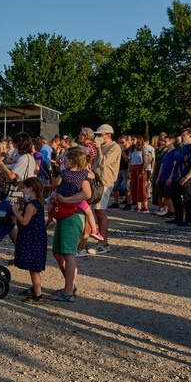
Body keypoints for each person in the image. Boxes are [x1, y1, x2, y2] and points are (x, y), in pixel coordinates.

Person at [46, 148, 92, 302]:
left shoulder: (76, 175)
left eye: (65, 160)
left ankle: (68, 291)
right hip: (64, 215)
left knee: (68, 253)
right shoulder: (83, 174)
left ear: (72, 162)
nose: (63, 163)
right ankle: (70, 285)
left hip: (73, 216)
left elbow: (87, 194)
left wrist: (66, 199)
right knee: (58, 253)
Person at [12, 177, 48, 305]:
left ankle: (38, 295)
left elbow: (24, 221)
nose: (22, 189)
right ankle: (35, 287)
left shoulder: (31, 205)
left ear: (30, 189)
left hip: (32, 238)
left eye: (23, 187)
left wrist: (15, 211)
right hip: (37, 237)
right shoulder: (35, 202)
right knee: (34, 265)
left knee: (33, 267)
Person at [89, 124, 122, 253]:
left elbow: (103, 163)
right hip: (97, 181)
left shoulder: (115, 147)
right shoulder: (102, 147)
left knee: (100, 212)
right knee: (96, 211)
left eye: (100, 135)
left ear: (108, 135)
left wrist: (98, 148)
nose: (98, 137)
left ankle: (104, 243)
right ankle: (100, 241)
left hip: (105, 182)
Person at [168, 129, 191, 227]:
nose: (182, 137)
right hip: (178, 177)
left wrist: (186, 177)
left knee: (187, 199)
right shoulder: (185, 147)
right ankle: (178, 218)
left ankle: (189, 220)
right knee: (175, 197)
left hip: (188, 178)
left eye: (184, 135)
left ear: (190, 136)